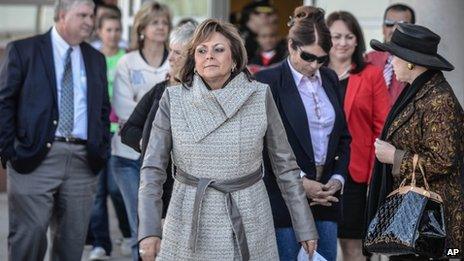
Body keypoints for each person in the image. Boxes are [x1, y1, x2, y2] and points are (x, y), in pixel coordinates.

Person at [137, 18, 318, 261]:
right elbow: (152, 169)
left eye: (218, 49)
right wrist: (149, 230)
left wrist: (304, 224)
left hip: (250, 214)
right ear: (194, 61)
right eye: (202, 50)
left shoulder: (259, 96)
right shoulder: (173, 99)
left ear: (234, 59)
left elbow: (285, 166)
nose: (209, 56)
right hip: (189, 214)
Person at [0, 0, 110, 260]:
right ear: (62, 15)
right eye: (82, 14)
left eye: (92, 15)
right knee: (30, 237)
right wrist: (9, 150)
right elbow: (4, 101)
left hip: (83, 161)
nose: (89, 21)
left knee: (72, 243)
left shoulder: (96, 58)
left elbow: (103, 109)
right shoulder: (24, 50)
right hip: (34, 157)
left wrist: (101, 148)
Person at [255, 6, 351, 261]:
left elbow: (342, 136)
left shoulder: (329, 78)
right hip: (285, 196)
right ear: (291, 46)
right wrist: (299, 181)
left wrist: (338, 178)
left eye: (322, 58)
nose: (315, 65)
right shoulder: (268, 81)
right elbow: (261, 144)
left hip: (326, 197)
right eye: (308, 57)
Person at [367, 23, 464, 259]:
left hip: (431, 223)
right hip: (413, 217)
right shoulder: (418, 90)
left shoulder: (438, 99)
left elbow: (444, 161)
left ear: (411, 61)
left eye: (394, 57)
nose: (390, 62)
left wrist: (395, 157)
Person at [326, 11, 390, 261]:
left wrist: (375, 177)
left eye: (348, 36)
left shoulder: (371, 74)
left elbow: (381, 127)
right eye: (336, 36)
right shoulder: (315, 73)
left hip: (356, 172)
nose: (342, 42)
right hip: (319, 174)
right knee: (318, 243)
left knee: (354, 246)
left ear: (357, 40)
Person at [111, 1, 171, 260]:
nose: (161, 27)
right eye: (155, 22)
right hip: (128, 158)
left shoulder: (177, 59)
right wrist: (158, 124)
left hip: (166, 160)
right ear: (142, 28)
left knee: (165, 226)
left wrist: (143, 111)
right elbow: (124, 109)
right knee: (141, 225)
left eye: (165, 23)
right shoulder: (127, 62)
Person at [120, 21, 197, 220]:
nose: (170, 58)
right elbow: (128, 129)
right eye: (170, 51)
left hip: (189, 189)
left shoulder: (203, 94)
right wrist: (149, 143)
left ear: (193, 57)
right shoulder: (159, 90)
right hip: (158, 185)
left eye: (177, 53)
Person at [87, 13, 131, 260]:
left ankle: (126, 233)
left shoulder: (126, 59)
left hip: (121, 133)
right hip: (97, 133)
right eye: (109, 30)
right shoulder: (93, 58)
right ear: (100, 32)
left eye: (117, 30)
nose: (113, 34)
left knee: (117, 189)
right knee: (96, 193)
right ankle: (100, 243)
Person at [365, 3, 415, 104]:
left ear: (413, 30)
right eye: (389, 24)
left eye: (402, 24)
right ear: (383, 28)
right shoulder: (368, 59)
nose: (394, 29)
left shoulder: (419, 64)